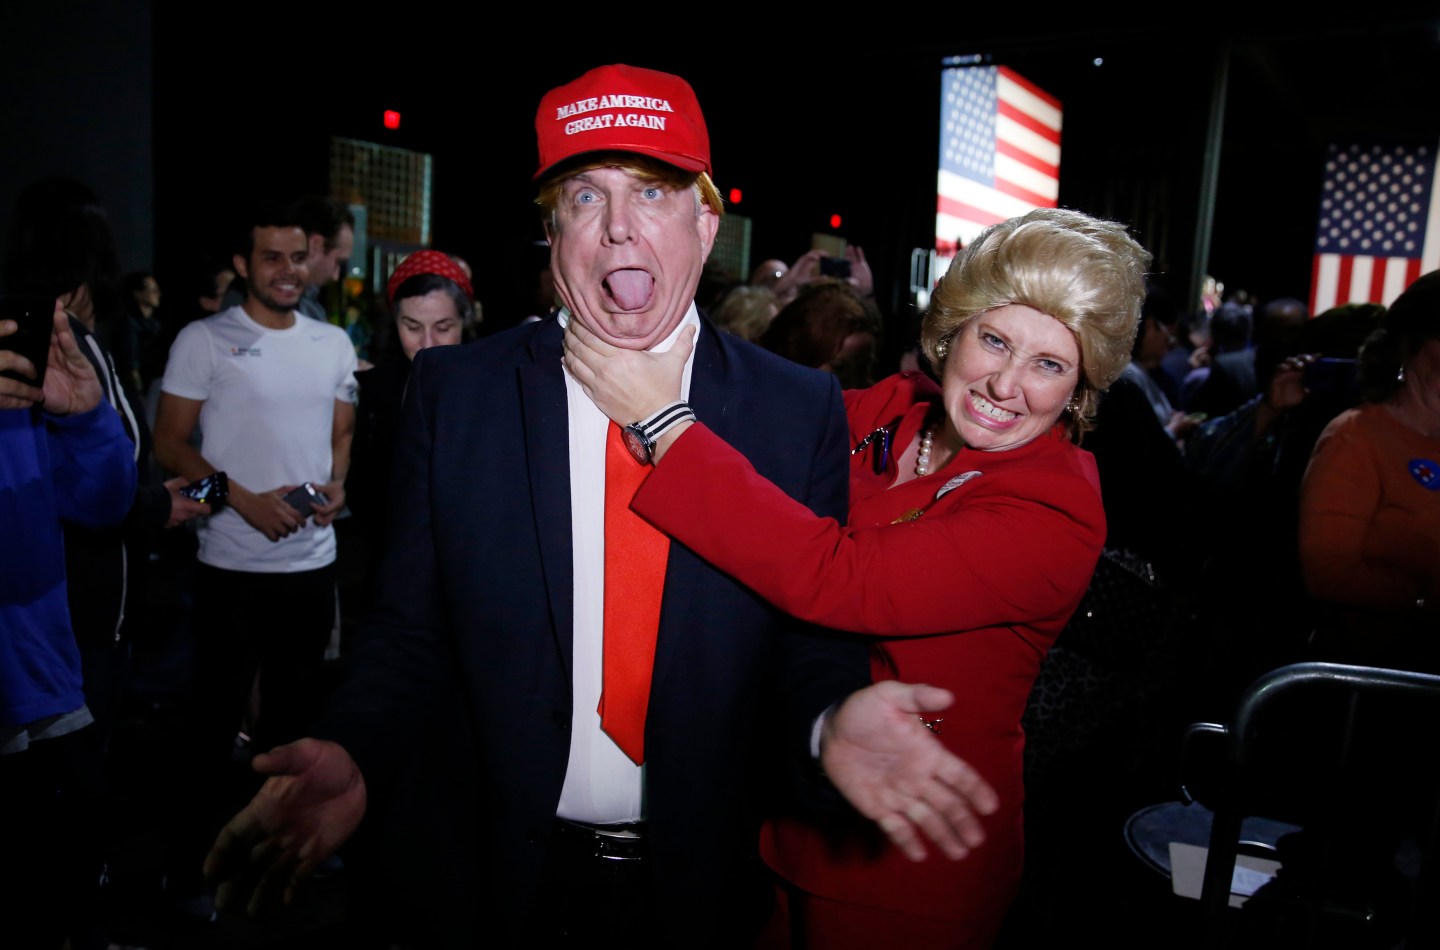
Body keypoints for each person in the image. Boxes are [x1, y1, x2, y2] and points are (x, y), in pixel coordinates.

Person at [203, 63, 995, 948]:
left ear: (705, 224)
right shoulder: (458, 393)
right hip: (485, 880)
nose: (617, 226)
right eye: (585, 197)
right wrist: (353, 747)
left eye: (652, 192)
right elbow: (409, 631)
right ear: (554, 234)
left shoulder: (793, 409)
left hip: (697, 889)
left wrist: (825, 723)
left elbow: (807, 637)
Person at [564, 205, 1150, 948]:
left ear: (1080, 387)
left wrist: (663, 425)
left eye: (1048, 365)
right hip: (786, 810)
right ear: (952, 331)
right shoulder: (895, 412)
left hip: (910, 862)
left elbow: (832, 577)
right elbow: (762, 426)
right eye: (994, 340)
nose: (1006, 384)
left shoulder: (1055, 508)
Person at [151, 200, 359, 906]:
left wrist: (337, 487)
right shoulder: (204, 340)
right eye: (271, 257)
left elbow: (339, 435)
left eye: (297, 256)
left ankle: (279, 855)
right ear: (243, 264)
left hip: (312, 564)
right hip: (230, 567)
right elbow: (169, 444)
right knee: (213, 726)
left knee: (294, 727)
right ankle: (194, 869)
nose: (287, 271)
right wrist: (237, 496)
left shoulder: (330, 342)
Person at [0, 299, 137, 950]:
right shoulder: (202, 347)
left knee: (74, 828)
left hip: (53, 656)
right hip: (85, 621)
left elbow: (113, 499)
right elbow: (162, 477)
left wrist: (86, 422)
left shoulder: (46, 362)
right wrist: (217, 495)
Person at [1298, 270, 1440, 672]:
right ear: (1411, 346)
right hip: (1374, 679)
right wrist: (1424, 600)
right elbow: (1328, 573)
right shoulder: (1356, 437)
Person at [348, 249, 472, 605]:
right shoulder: (377, 388)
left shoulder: (492, 385)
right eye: (412, 327)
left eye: (443, 327)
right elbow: (362, 490)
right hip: (393, 563)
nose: (427, 344)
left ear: (464, 320)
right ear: (394, 321)